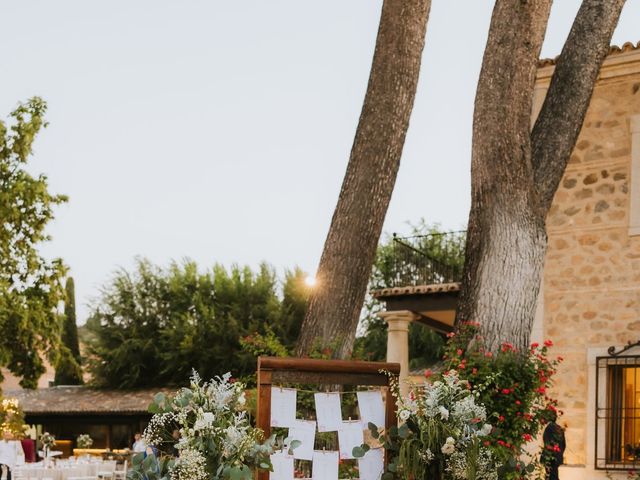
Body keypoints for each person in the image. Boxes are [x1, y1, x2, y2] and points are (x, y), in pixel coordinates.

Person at [542, 412, 566, 480]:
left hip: (549, 457)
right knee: (554, 475)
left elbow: (546, 443)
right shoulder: (560, 428)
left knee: (550, 476)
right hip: (557, 456)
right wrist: (559, 453)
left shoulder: (548, 428)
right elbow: (564, 445)